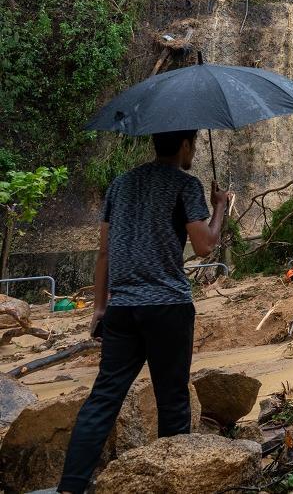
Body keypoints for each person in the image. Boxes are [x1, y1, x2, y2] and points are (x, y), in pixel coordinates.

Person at [58, 130, 229, 494]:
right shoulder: (185, 185)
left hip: (120, 309)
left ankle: (70, 487)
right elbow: (204, 246)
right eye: (192, 146)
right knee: (172, 401)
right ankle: (174, 483)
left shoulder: (120, 185)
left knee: (104, 397)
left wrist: (100, 308)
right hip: (167, 307)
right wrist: (220, 206)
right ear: (185, 145)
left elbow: (103, 252)